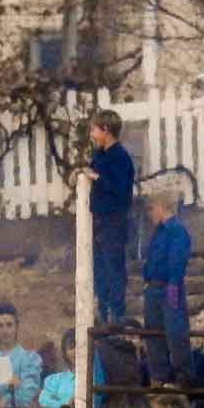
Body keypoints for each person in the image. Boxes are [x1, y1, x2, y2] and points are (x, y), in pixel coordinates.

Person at [141, 189, 193, 386]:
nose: (150, 214)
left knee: (175, 333)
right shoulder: (159, 231)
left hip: (168, 287)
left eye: (152, 209)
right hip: (153, 288)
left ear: (162, 207)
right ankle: (159, 377)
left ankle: (183, 379)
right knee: (153, 334)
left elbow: (177, 260)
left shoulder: (177, 230)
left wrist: (173, 284)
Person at [89, 108, 136, 325]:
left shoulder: (121, 157)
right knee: (99, 269)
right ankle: (103, 311)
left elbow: (119, 190)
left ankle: (117, 315)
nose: (91, 133)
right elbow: (92, 177)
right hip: (97, 222)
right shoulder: (99, 155)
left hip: (114, 222)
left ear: (106, 130)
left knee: (114, 269)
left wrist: (96, 178)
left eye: (94, 129)